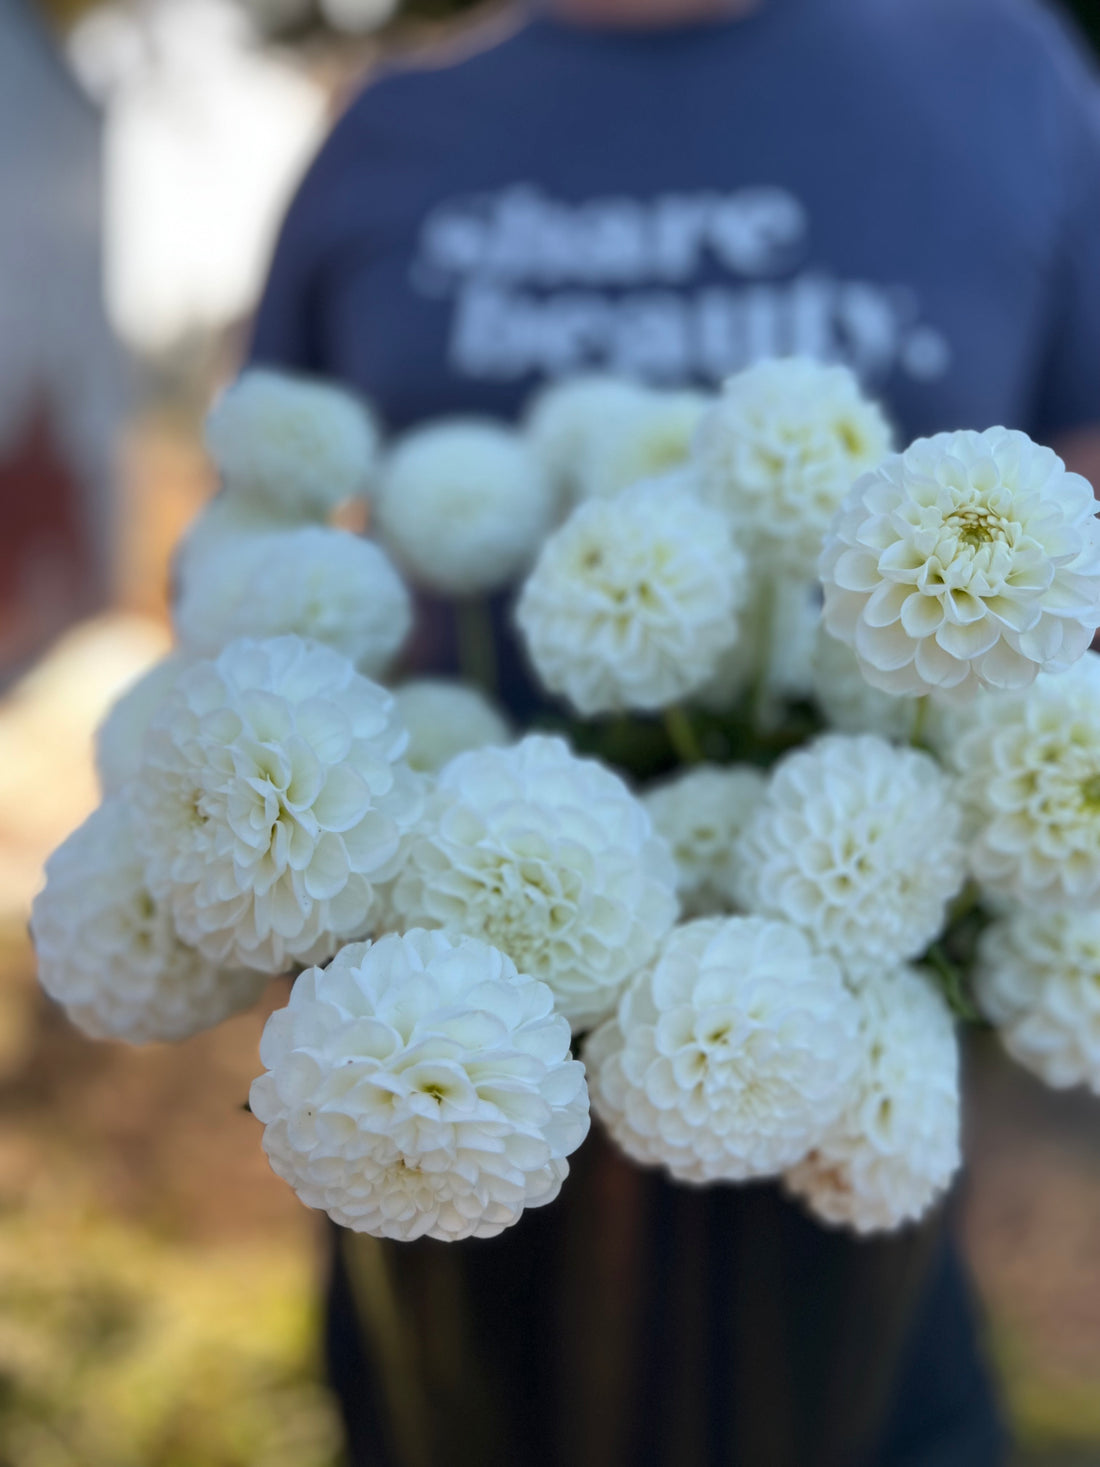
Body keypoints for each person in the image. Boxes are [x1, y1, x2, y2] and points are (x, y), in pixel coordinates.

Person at [250, 0, 1100, 1461]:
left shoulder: (1007, 78)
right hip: (441, 1156)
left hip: (843, 1221)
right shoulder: (382, 130)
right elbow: (279, 560)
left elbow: (1073, 541)